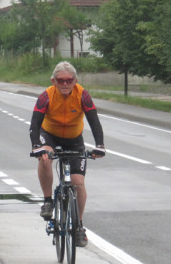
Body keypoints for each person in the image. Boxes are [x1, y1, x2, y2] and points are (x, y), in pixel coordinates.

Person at [29, 61, 105, 247]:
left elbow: (94, 121)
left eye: (69, 80)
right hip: (50, 136)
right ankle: (47, 201)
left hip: (74, 138)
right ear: (53, 81)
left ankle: (79, 226)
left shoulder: (82, 95)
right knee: (45, 158)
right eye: (60, 80)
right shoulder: (46, 96)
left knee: (78, 183)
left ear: (75, 81)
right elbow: (34, 125)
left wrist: (100, 145)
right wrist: (36, 146)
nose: (65, 84)